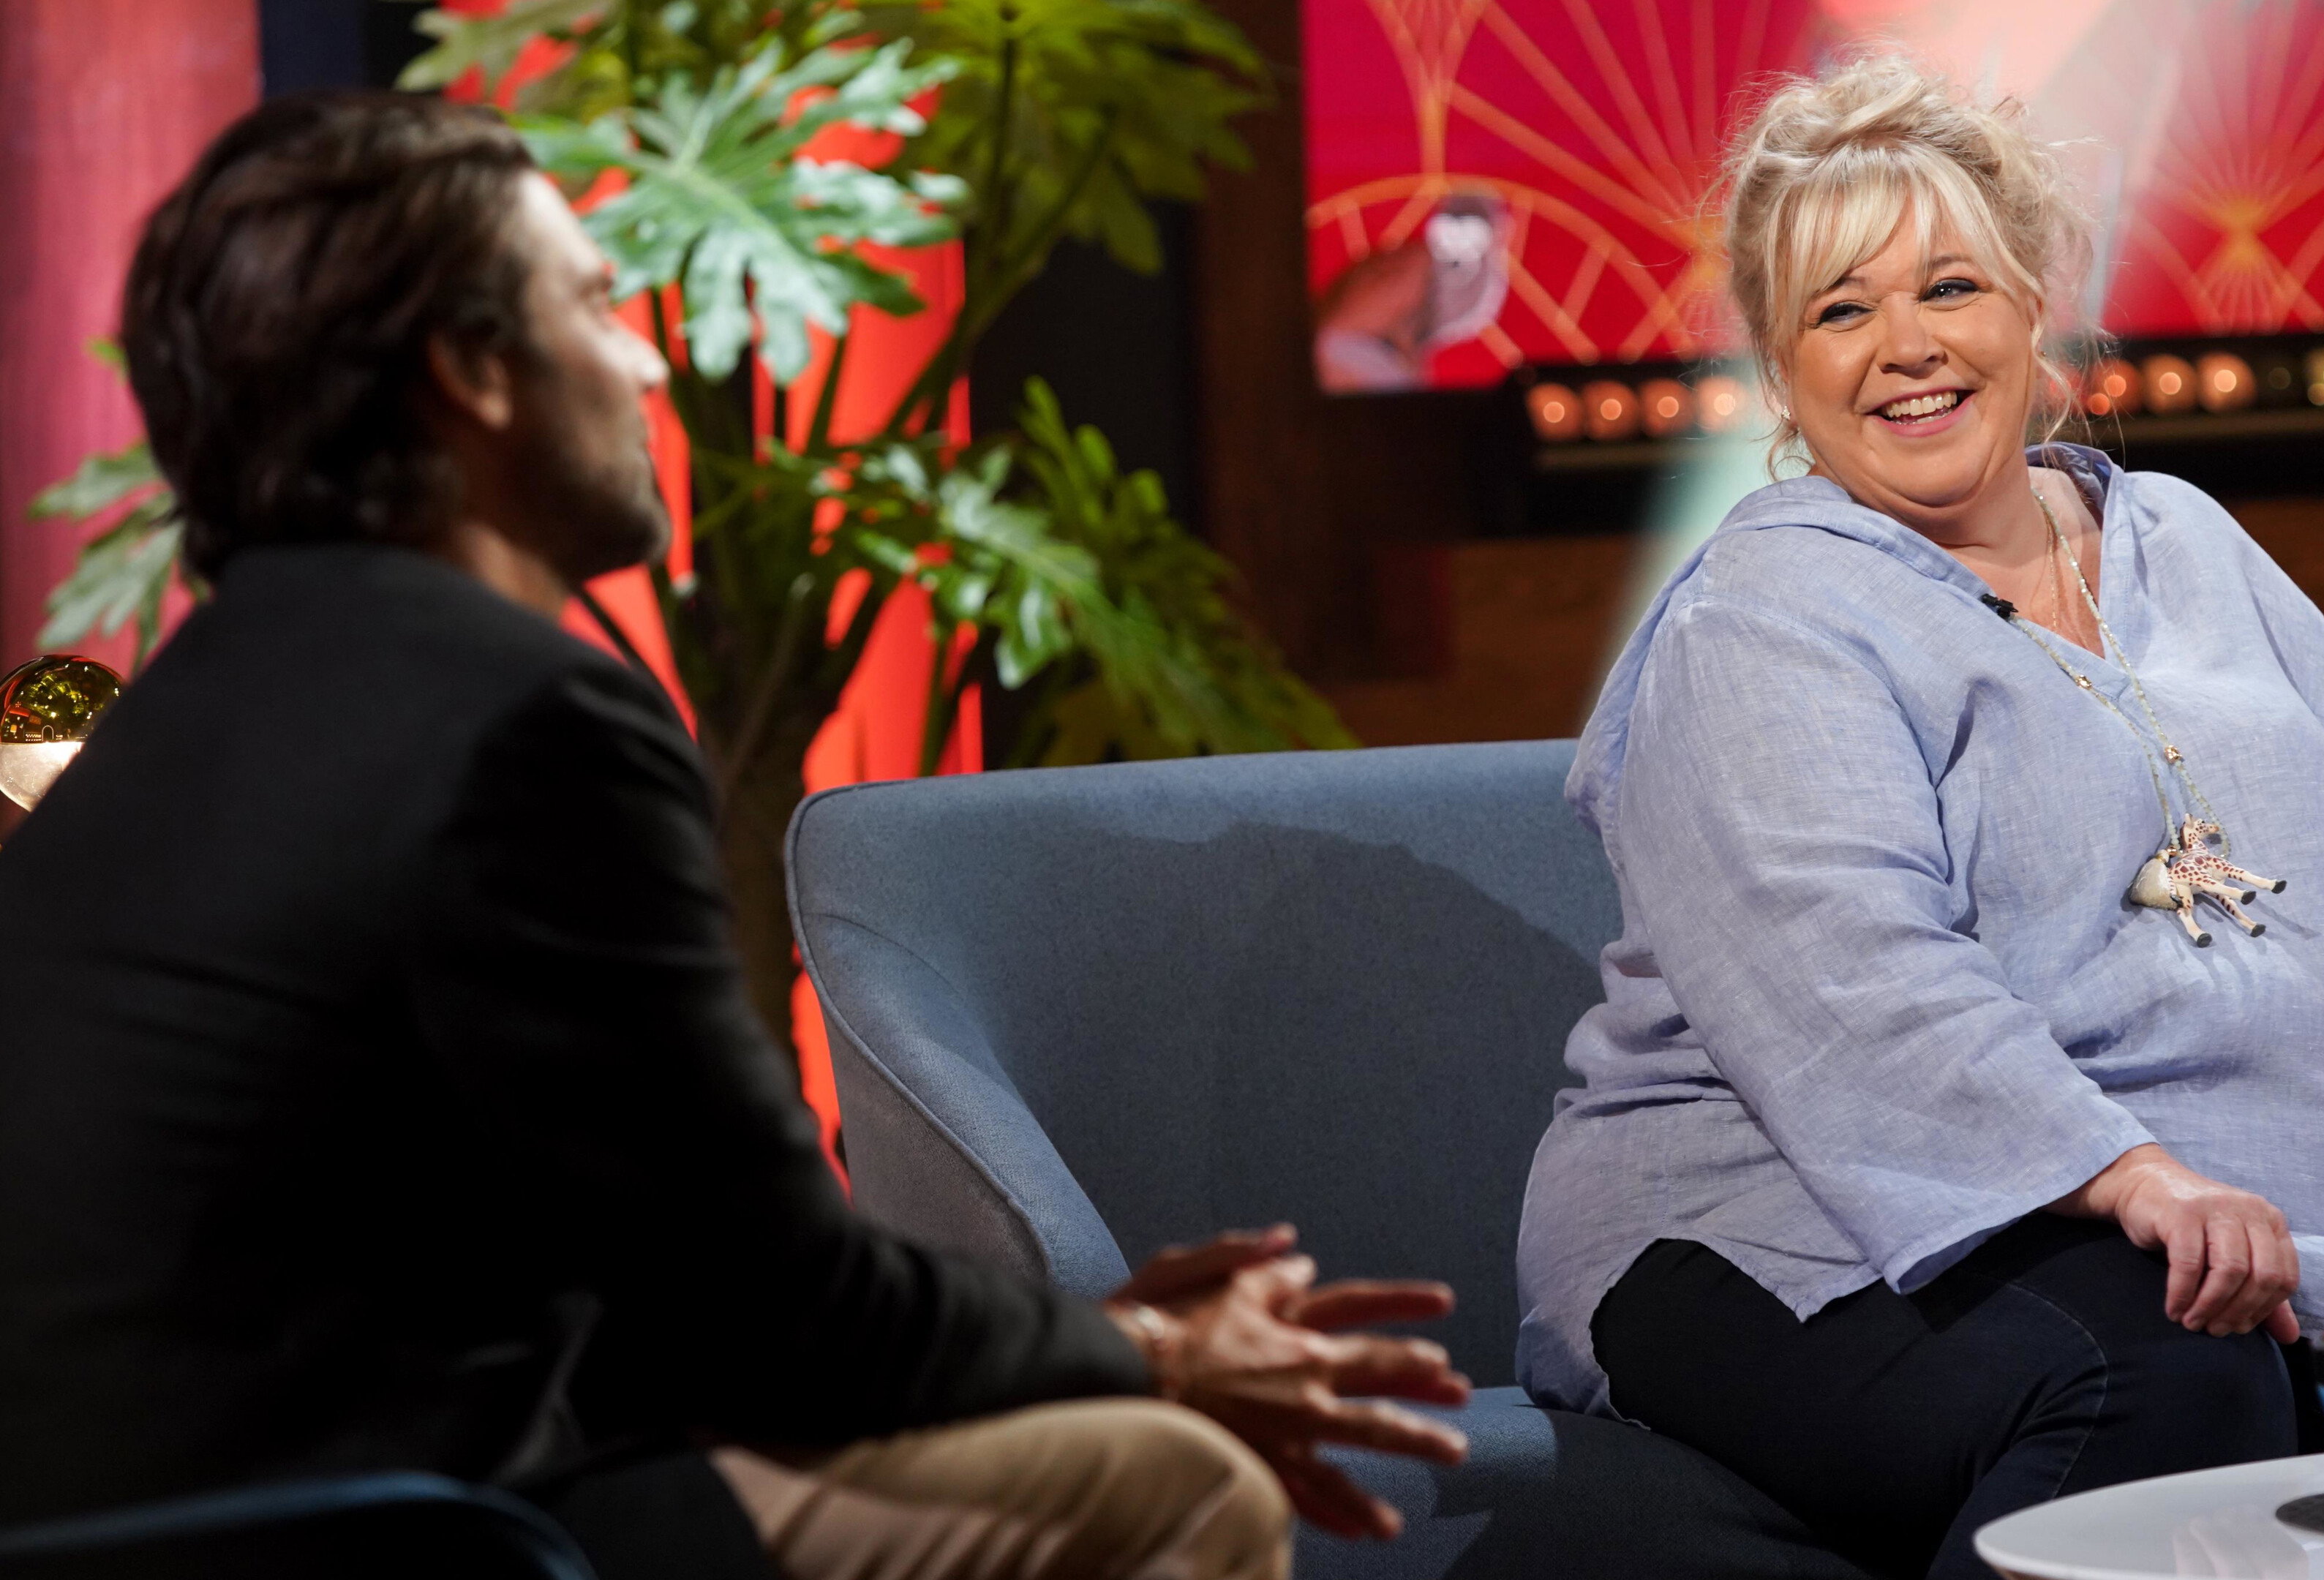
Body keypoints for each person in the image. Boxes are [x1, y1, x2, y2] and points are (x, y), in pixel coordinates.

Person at [0, 92, 1470, 1580]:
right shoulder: (523, 721)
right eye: (596, 306)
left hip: (137, 1531)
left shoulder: (169, 731)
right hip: (375, 1538)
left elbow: (665, 1299)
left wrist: (1086, 1343)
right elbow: (777, 1313)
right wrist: (1155, 1354)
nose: (647, 360)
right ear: (472, 372)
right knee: (1171, 1485)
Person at [1511, 54, 2324, 1580]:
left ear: (2033, 311)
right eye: (1840, 311)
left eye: (1949, 287)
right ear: (1779, 374)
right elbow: (1853, 980)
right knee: (2165, 1375)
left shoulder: (2196, 543)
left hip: (2211, 1218)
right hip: (1776, 1216)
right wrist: (2137, 1177)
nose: (1907, 346)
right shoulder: (1761, 618)